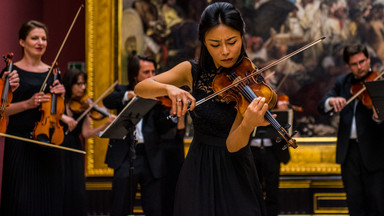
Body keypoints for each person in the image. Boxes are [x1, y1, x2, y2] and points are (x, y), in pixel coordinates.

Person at [134, 2, 271, 216]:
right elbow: (141, 88)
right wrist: (169, 89)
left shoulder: (250, 79)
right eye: (215, 44)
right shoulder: (191, 70)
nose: (225, 51)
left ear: (242, 37)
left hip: (235, 171)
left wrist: (248, 124)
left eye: (232, 42)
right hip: (199, 168)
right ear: (204, 42)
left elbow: (233, 145)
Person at [103, 54, 184, 216]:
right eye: (146, 72)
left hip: (151, 157)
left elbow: (162, 127)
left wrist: (174, 115)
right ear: (135, 75)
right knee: (120, 207)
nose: (152, 76)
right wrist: (129, 96)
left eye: (153, 71)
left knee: (155, 208)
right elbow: (108, 101)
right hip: (125, 156)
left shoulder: (158, 94)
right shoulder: (123, 90)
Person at [0, 20, 66, 216]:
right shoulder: (10, 73)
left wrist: (61, 97)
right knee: (20, 202)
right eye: (34, 38)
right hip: (19, 144)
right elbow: (1, 110)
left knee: (48, 202)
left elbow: (60, 114)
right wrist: (28, 104)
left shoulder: (53, 72)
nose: (40, 42)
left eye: (44, 38)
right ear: (22, 42)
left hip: (47, 144)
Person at [318, 44, 384, 215]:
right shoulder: (343, 82)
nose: (360, 67)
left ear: (369, 59)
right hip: (349, 153)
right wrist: (331, 102)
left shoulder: (378, 82)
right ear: (348, 65)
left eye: (362, 61)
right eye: (354, 64)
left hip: (374, 153)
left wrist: (377, 115)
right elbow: (322, 105)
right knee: (354, 204)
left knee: (377, 203)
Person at [60, 68, 116, 216]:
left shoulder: (84, 105)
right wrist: (63, 117)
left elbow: (86, 133)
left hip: (74, 149)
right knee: (61, 187)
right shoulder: (58, 100)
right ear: (69, 84)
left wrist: (105, 124)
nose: (83, 87)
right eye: (78, 84)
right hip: (57, 146)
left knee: (76, 188)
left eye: (84, 83)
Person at [249, 100, 291, 216]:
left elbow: (290, 118)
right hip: (251, 151)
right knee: (251, 189)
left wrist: (285, 108)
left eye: (269, 79)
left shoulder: (275, 98)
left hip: (272, 151)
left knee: (272, 190)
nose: (266, 80)